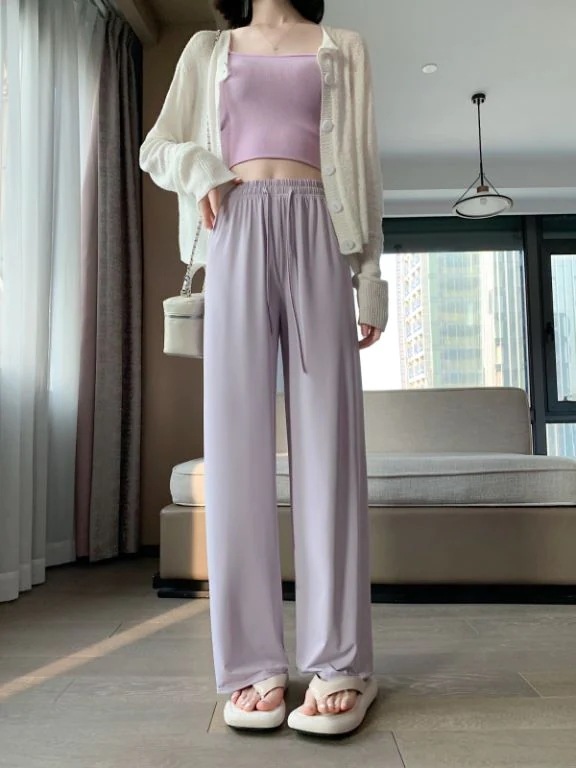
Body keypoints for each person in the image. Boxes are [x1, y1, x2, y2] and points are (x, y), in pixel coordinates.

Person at [139, 0, 388, 737]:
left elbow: (364, 167)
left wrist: (369, 280)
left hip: (320, 230)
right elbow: (158, 147)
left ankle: (341, 662)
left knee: (329, 452)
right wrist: (201, 167)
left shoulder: (344, 46)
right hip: (236, 229)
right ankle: (251, 664)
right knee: (236, 454)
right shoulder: (206, 49)